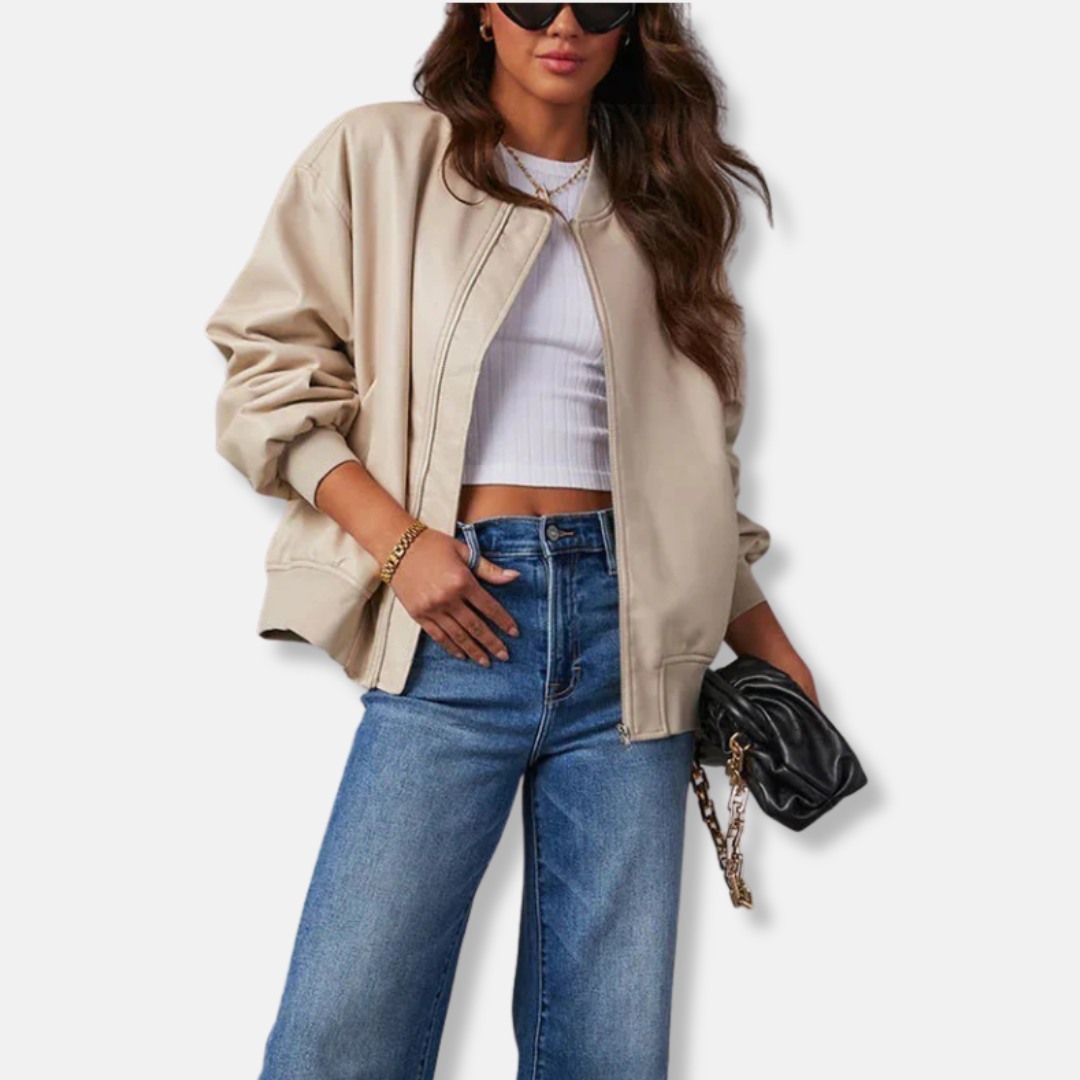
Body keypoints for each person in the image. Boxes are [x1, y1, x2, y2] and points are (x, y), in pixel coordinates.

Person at [205, 5, 817, 1077]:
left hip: (639, 643)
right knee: (342, 1029)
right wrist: (401, 546)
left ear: (634, 25)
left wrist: (768, 645)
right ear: (482, 15)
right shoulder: (381, 155)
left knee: (607, 1047)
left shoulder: (665, 204)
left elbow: (695, 474)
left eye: (599, 2)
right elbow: (267, 373)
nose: (564, 23)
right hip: (458, 620)